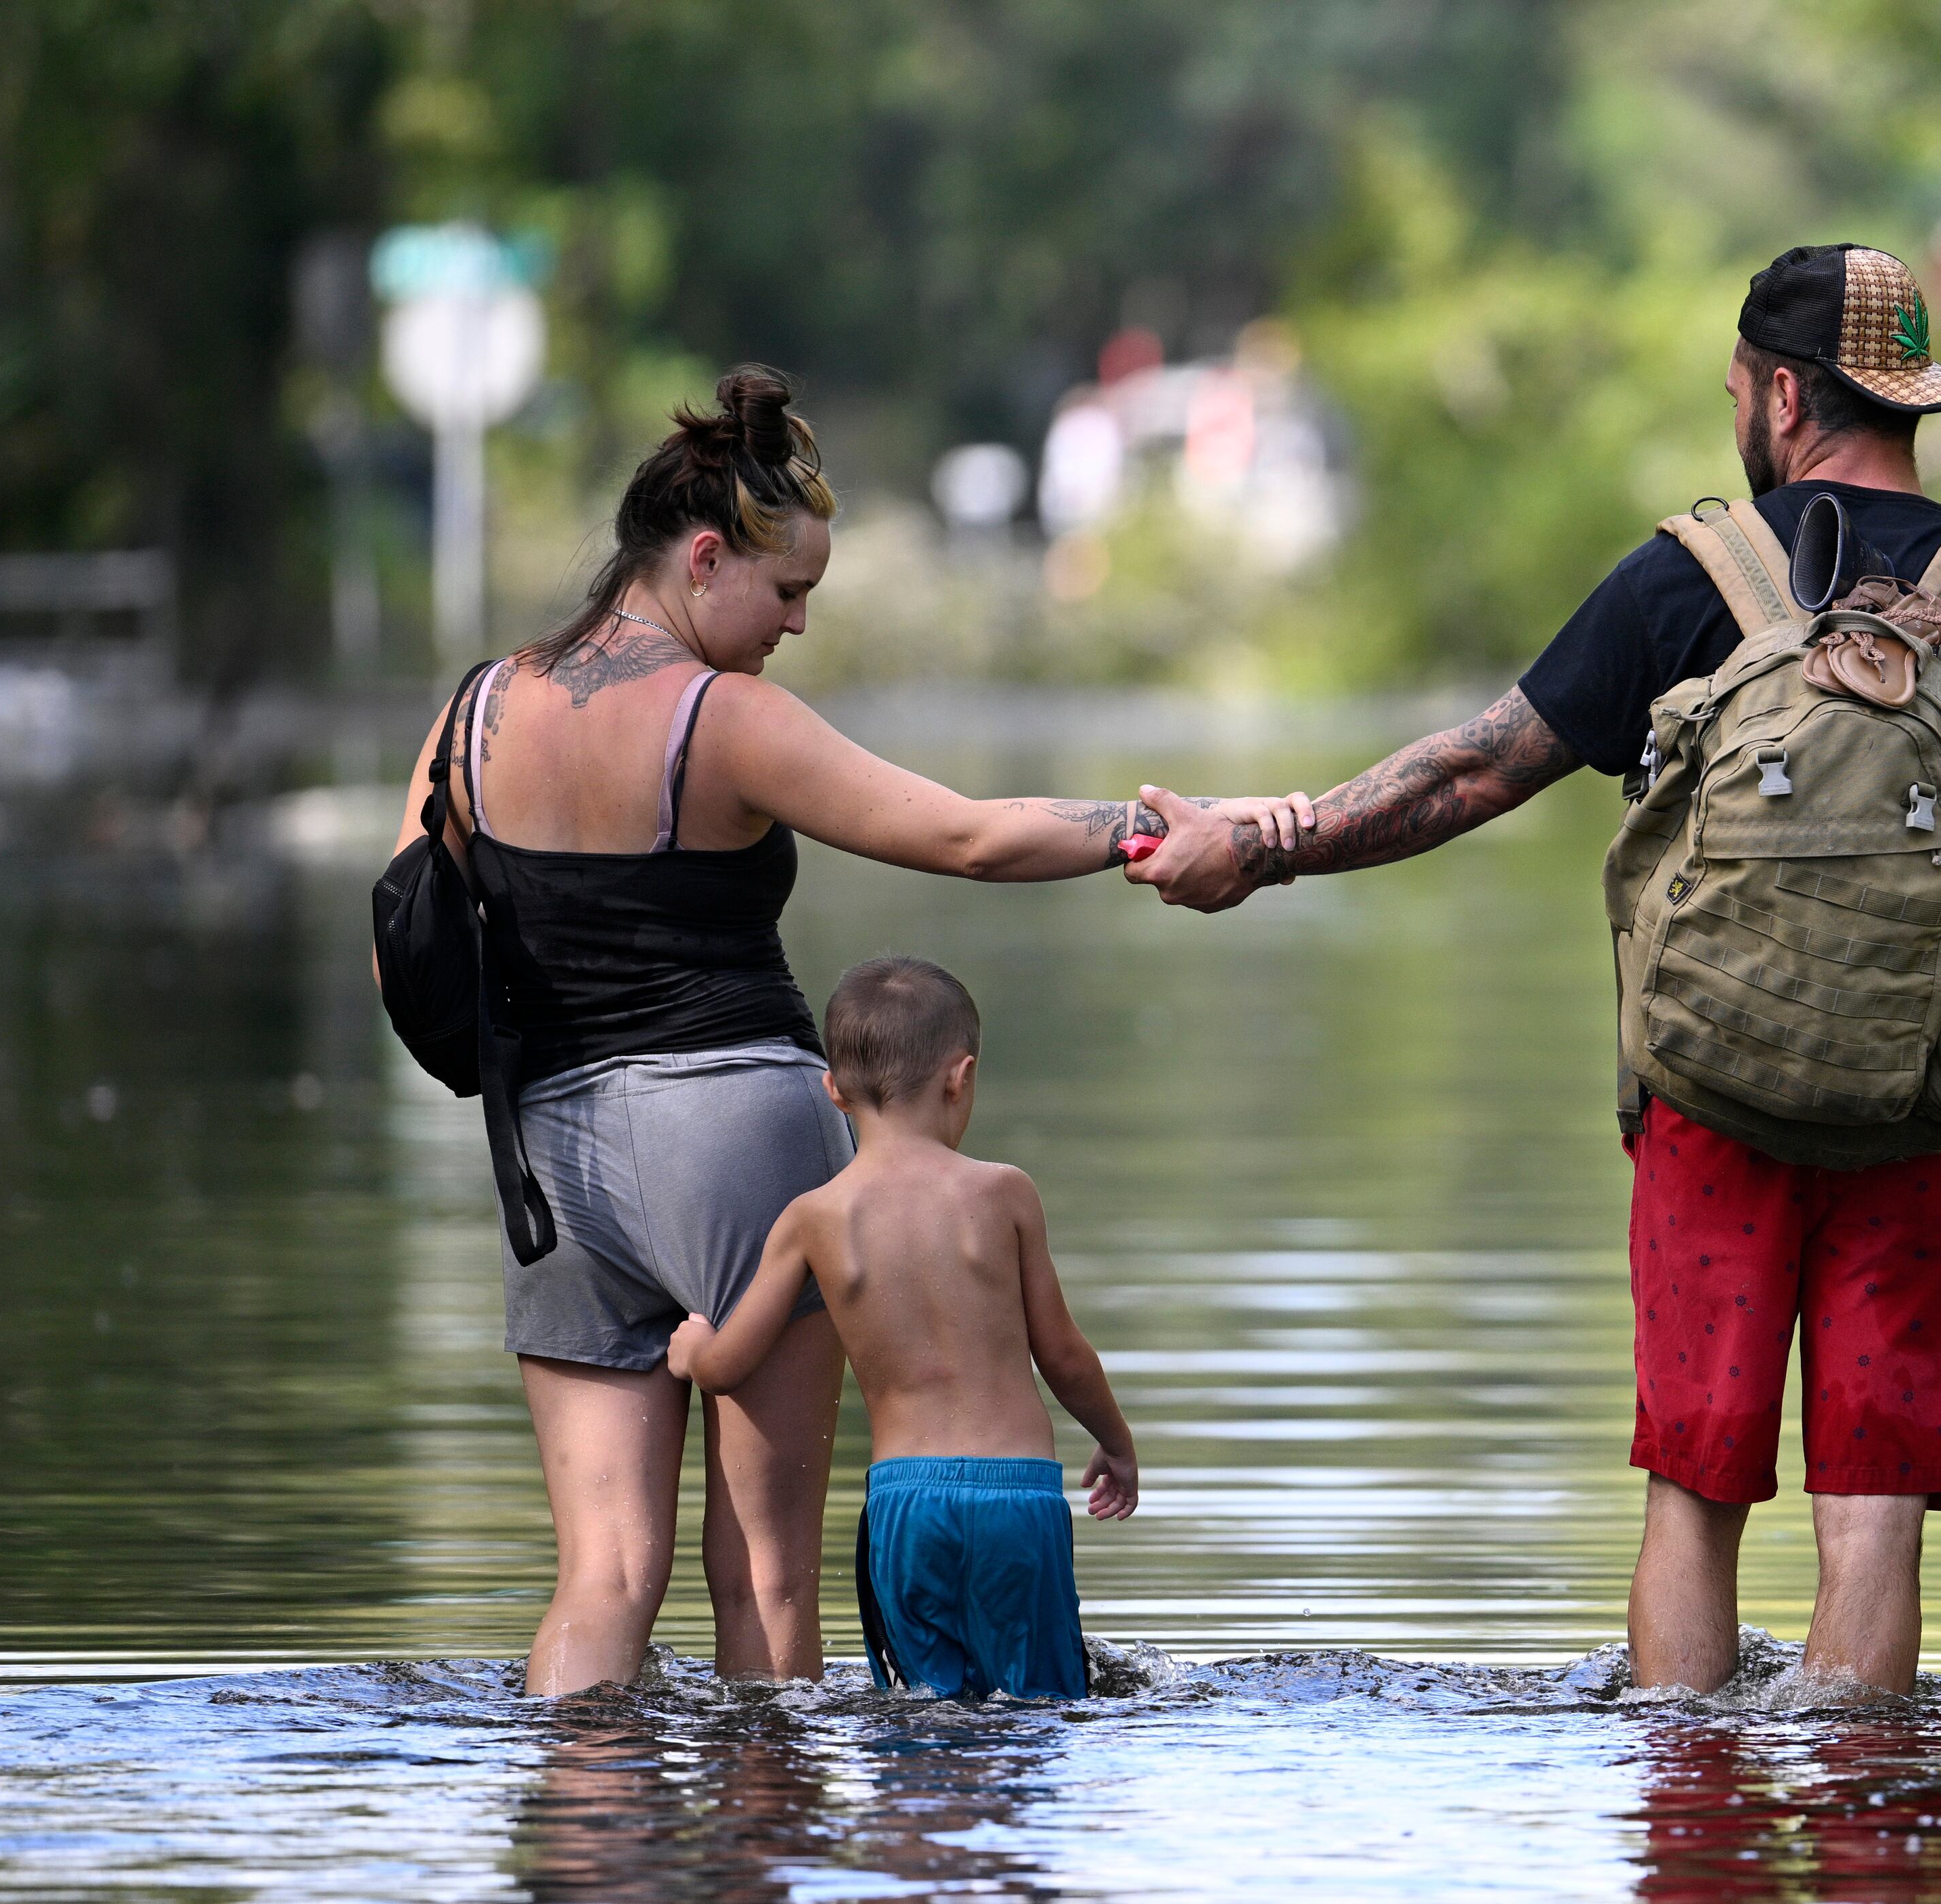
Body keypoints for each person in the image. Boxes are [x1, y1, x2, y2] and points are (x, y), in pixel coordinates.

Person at [1128, 244, 1941, 1694]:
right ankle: (1865, 1805)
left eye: (1742, 388)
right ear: (1910, 396)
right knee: (1870, 1514)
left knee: (1694, 1488)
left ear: (1785, 395)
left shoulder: (1691, 579)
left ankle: (1691, 1801)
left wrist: (1267, 839)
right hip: (1932, 1112)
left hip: (1708, 1108)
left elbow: (1471, 773)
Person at [385, 369, 1291, 1698]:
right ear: (703, 558)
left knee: (601, 1573)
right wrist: (1162, 824)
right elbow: (966, 835)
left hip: (549, 1161)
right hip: (738, 1139)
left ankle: (582, 1853)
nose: (797, 622)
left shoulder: (472, 712)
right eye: (785, 589)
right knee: (759, 1567)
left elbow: (400, 941)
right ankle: (764, 1857)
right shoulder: (722, 716)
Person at [669, 956, 1134, 1703]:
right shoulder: (1004, 1192)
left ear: (832, 1090)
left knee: (922, 1717)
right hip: (1016, 1497)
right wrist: (1115, 1441)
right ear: (961, 1076)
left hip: (906, 1500)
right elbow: (1065, 1355)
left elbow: (727, 1365)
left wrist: (691, 1348)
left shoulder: (814, 1217)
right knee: (1040, 1706)